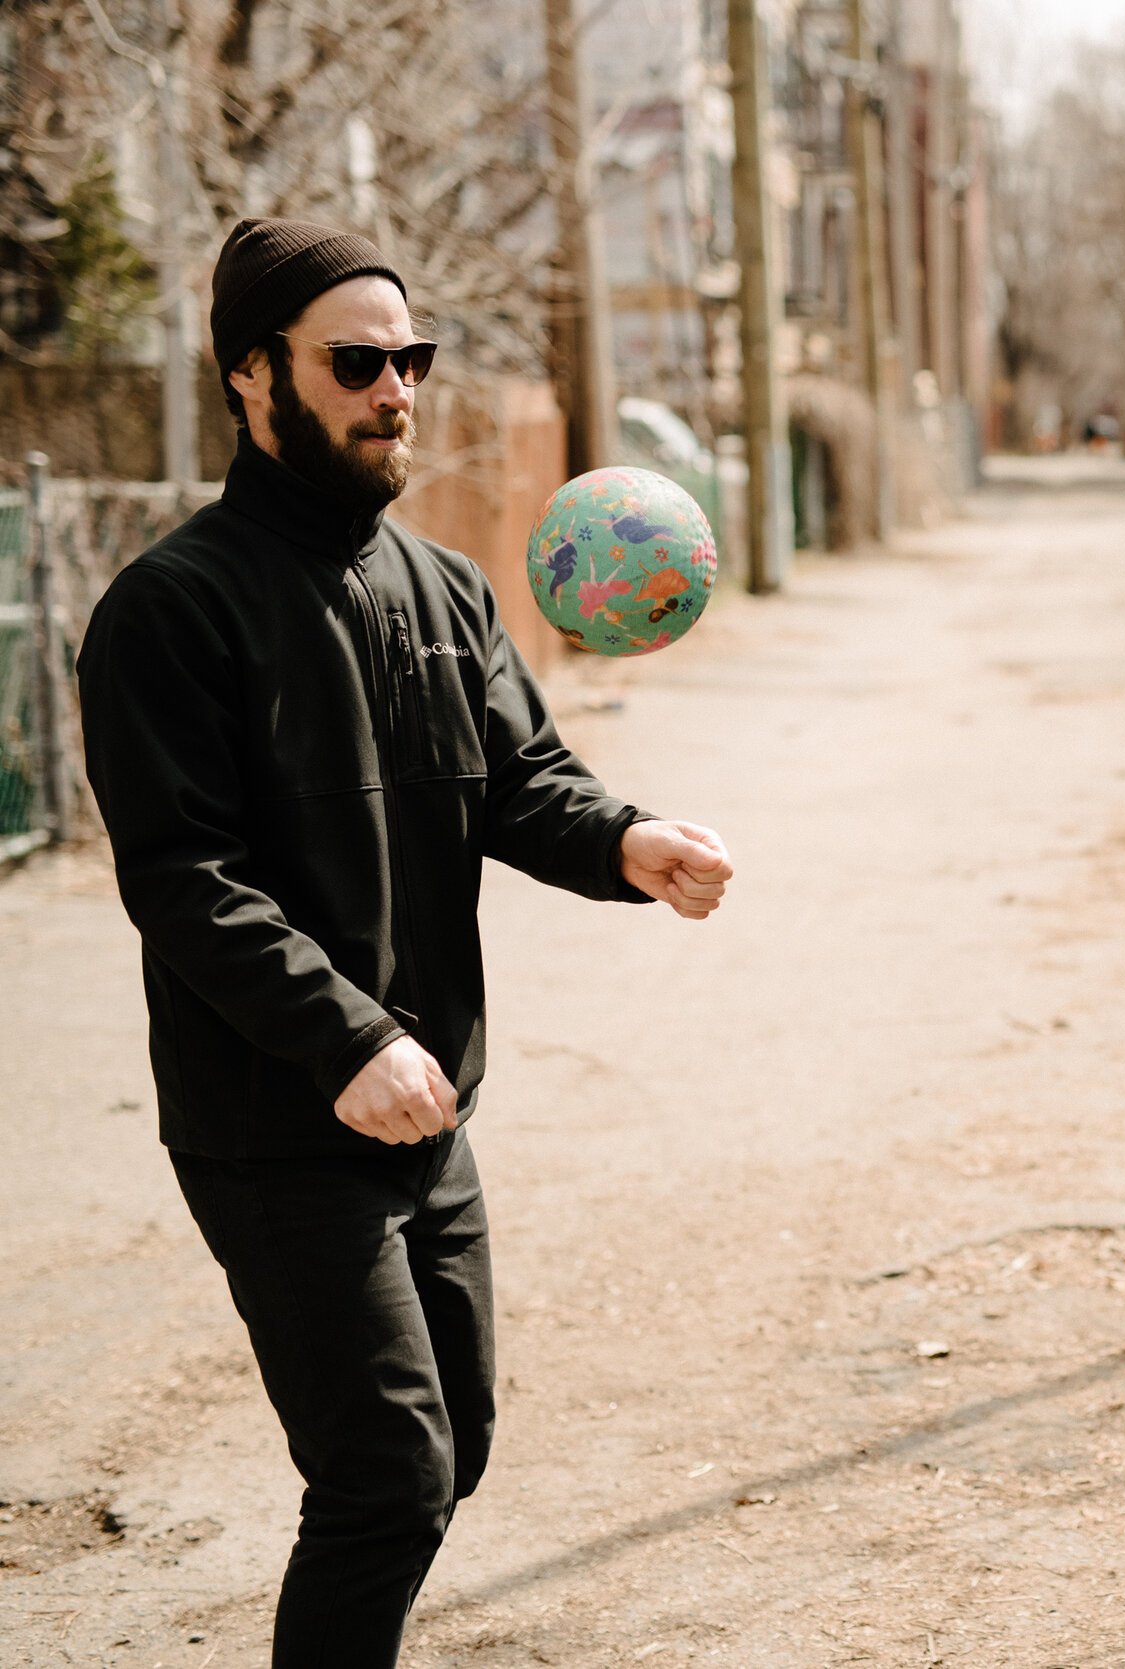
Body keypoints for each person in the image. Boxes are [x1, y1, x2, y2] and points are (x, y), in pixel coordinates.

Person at [75, 217, 734, 1666]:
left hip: (430, 1110)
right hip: (279, 1118)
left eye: (410, 357)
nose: (396, 389)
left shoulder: (444, 588)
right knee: (384, 1480)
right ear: (252, 376)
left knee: (459, 1443)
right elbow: (185, 878)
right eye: (356, 361)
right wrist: (351, 1035)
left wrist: (629, 841)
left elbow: (520, 783)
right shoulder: (171, 610)